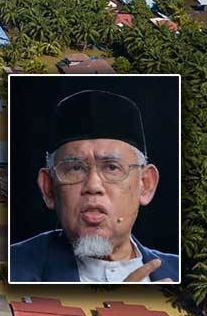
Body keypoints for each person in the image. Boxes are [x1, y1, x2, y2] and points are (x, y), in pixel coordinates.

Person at [10, 89, 178, 283]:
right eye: (75, 168)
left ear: (146, 184)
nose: (93, 185)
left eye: (112, 168)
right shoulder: (14, 268)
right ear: (48, 188)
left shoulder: (182, 274)